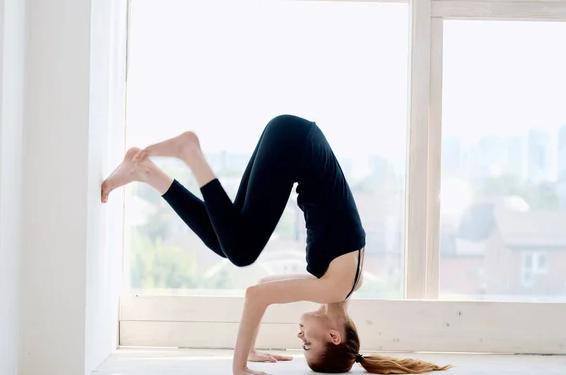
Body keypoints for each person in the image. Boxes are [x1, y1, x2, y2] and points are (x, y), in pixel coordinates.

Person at [101, 115, 450, 375]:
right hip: (293, 144)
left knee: (228, 242)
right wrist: (240, 366)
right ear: (333, 335)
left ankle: (146, 173)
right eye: (308, 343)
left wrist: (251, 346)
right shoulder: (335, 285)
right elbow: (258, 296)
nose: (300, 337)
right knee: (240, 251)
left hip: (293, 138)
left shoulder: (340, 285)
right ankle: (190, 152)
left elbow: (265, 287)